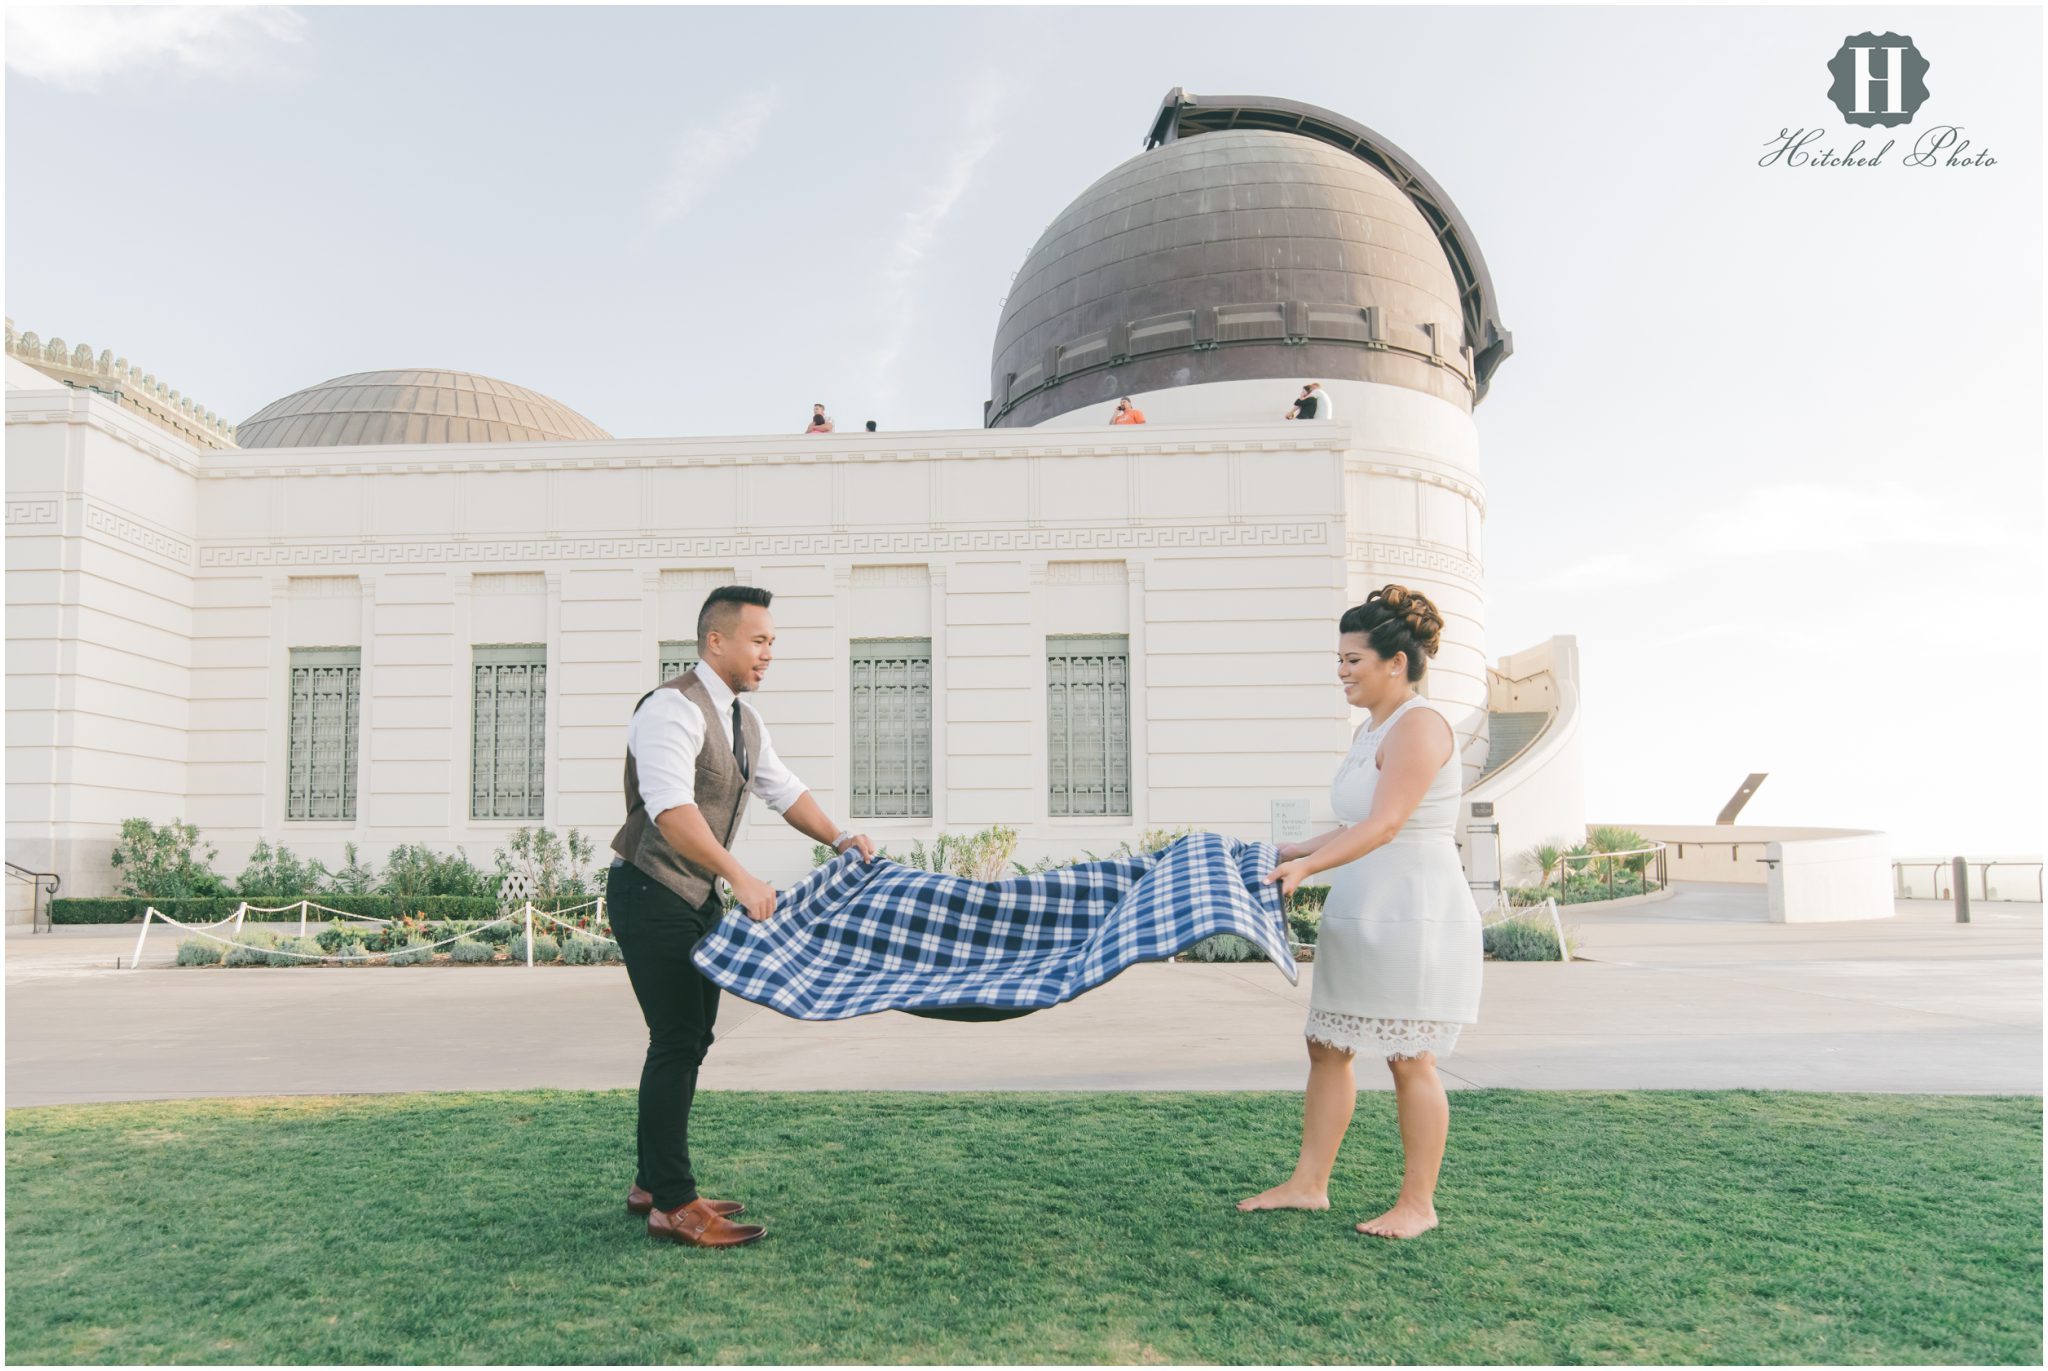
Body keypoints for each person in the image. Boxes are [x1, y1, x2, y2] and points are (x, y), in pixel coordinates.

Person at [608, 584, 876, 1247]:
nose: (768, 654)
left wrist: (840, 836)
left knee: (691, 1036)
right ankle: (673, 1203)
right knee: (677, 1037)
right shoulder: (671, 708)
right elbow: (671, 809)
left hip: (692, 897)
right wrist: (739, 874)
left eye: (772, 643)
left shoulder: (744, 721)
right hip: (649, 888)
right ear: (716, 640)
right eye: (759, 640)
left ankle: (653, 1180)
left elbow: (782, 788)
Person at [1238, 584, 1482, 1240]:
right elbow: (1353, 822)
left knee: (1411, 1057)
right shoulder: (1368, 728)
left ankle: (1418, 1204)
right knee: (1327, 1044)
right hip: (1361, 908)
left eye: (1353, 660)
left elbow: (1388, 822)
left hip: (1414, 911)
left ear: (1395, 662)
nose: (1342, 672)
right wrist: (1289, 851)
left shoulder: (1421, 725)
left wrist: (1310, 867)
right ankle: (1308, 1184)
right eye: (1339, 660)